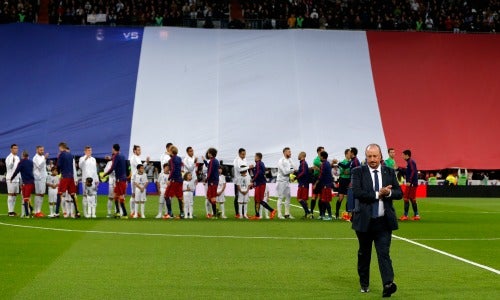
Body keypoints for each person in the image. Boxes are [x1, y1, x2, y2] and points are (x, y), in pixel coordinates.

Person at [351, 143, 402, 297]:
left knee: (383, 253)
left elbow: (399, 193)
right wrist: (377, 194)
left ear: (380, 157)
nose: (372, 159)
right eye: (369, 156)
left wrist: (388, 193)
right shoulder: (358, 171)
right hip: (364, 221)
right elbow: (358, 192)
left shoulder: (389, 171)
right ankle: (364, 283)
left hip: (383, 222)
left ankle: (388, 284)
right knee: (364, 254)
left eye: (375, 156)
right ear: (366, 157)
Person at [53, 142, 80, 218]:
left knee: (59, 193)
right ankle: (77, 212)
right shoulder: (70, 155)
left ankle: (57, 212)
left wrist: (58, 172)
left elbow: (58, 165)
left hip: (65, 176)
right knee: (72, 194)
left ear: (61, 147)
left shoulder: (61, 154)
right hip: (71, 176)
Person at [102, 144, 129, 219]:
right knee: (115, 196)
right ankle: (117, 212)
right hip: (123, 178)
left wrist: (105, 174)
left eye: (112, 149)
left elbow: (112, 168)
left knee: (120, 196)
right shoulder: (122, 156)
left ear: (113, 149)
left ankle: (125, 214)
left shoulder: (116, 156)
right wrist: (111, 158)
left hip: (119, 179)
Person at [251, 153, 276, 220]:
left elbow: (258, 173)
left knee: (259, 200)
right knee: (257, 200)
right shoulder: (259, 164)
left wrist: (252, 181)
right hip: (259, 183)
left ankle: (272, 210)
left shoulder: (259, 163)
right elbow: (257, 173)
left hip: (260, 184)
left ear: (258, 157)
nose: (254, 157)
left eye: (255, 156)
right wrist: (252, 169)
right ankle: (257, 215)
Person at [10, 150, 35, 218]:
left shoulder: (21, 163)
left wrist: (12, 178)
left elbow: (16, 171)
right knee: (25, 198)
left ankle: (27, 214)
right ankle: (31, 209)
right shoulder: (31, 162)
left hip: (26, 183)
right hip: (31, 182)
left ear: (23, 155)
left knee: (26, 198)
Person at [78, 146, 99, 218]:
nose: (90, 152)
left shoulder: (93, 159)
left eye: (90, 151)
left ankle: (93, 213)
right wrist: (85, 158)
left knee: (94, 195)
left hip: (93, 180)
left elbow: (95, 170)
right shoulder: (82, 158)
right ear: (85, 151)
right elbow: (80, 166)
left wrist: (97, 179)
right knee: (85, 195)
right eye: (88, 151)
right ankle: (85, 213)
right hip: (85, 180)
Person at [129, 145, 150, 218]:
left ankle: (135, 212)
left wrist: (145, 163)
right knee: (133, 194)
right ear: (134, 151)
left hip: (139, 178)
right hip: (134, 178)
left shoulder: (138, 157)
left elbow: (140, 167)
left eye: (140, 150)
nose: (139, 151)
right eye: (138, 150)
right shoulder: (133, 158)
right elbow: (139, 167)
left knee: (138, 196)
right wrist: (146, 163)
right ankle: (132, 211)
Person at [276, 147, 296, 219]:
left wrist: (291, 169)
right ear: (284, 153)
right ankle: (279, 214)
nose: (290, 153)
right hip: (281, 181)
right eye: (289, 152)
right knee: (280, 197)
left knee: (288, 197)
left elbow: (295, 167)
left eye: (290, 152)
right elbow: (284, 172)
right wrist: (291, 170)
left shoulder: (290, 160)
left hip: (287, 181)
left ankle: (287, 214)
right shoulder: (281, 161)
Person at [400, 150, 420, 221]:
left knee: (406, 198)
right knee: (412, 198)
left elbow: (413, 171)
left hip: (411, 183)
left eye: (403, 155)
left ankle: (406, 215)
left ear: (407, 155)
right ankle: (416, 215)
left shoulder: (410, 162)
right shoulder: (410, 162)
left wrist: (409, 181)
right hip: (412, 183)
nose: (402, 156)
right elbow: (408, 172)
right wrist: (399, 169)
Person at [314, 151, 334, 220]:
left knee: (325, 200)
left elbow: (321, 175)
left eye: (320, 156)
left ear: (322, 157)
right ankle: (322, 215)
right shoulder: (327, 163)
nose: (319, 157)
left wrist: (316, 183)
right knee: (323, 200)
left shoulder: (324, 164)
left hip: (326, 185)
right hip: (326, 184)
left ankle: (330, 216)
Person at [165, 146, 184, 218]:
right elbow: (182, 167)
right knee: (179, 197)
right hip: (180, 180)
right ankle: (182, 213)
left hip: (173, 180)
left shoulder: (171, 160)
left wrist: (169, 178)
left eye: (169, 151)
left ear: (171, 152)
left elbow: (172, 169)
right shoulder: (179, 158)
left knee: (166, 196)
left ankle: (170, 213)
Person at [232, 148, 251, 218]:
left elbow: (247, 171)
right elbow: (239, 169)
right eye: (243, 154)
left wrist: (249, 179)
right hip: (238, 180)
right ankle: (237, 213)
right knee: (237, 196)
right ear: (239, 154)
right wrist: (248, 167)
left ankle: (244, 213)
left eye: (245, 154)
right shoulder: (236, 160)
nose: (244, 155)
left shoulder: (245, 160)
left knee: (245, 197)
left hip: (245, 180)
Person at [345, 147, 361, 221]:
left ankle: (355, 216)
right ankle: (352, 216)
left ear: (352, 153)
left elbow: (358, 172)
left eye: (350, 152)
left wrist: (354, 182)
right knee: (351, 199)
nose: (349, 153)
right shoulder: (352, 161)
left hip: (355, 183)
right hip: (351, 182)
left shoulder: (356, 161)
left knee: (355, 199)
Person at [33, 145, 49, 217]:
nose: (42, 151)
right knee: (38, 194)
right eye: (40, 150)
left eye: (43, 150)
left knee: (42, 194)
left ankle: (38, 210)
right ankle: (37, 211)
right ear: (37, 150)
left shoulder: (42, 157)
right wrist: (45, 159)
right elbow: (39, 166)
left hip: (43, 177)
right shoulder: (35, 158)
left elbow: (44, 168)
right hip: (38, 178)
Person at [296, 151, 312, 218]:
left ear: (302, 156)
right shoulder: (303, 163)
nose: (298, 156)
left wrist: (297, 176)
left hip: (303, 183)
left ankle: (308, 212)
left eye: (299, 154)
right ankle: (307, 214)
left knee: (300, 199)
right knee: (304, 200)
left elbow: (303, 172)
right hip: (304, 183)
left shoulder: (303, 163)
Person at [6, 144, 20, 216]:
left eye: (16, 148)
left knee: (15, 195)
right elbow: (9, 167)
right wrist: (12, 162)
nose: (16, 150)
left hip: (16, 179)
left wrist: (20, 178)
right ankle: (10, 211)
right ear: (11, 149)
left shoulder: (17, 157)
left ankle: (12, 210)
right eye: (14, 148)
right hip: (10, 178)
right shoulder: (8, 157)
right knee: (10, 194)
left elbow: (18, 169)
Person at [336, 149, 351, 219]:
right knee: (341, 197)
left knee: (348, 197)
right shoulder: (343, 162)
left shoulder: (351, 162)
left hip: (349, 180)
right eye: (349, 153)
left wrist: (347, 172)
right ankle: (336, 213)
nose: (350, 154)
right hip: (342, 180)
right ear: (346, 154)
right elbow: (342, 172)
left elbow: (348, 172)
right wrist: (347, 172)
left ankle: (347, 213)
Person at [205, 148, 220, 218]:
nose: (208, 154)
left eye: (208, 153)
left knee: (212, 197)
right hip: (215, 180)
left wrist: (206, 179)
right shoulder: (216, 161)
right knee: (209, 197)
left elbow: (210, 171)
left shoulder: (212, 161)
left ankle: (215, 213)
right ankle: (216, 211)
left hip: (212, 181)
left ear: (211, 153)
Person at [310, 146, 324, 216]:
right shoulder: (316, 160)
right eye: (322, 151)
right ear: (318, 152)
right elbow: (323, 167)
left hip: (321, 178)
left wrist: (320, 169)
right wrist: (321, 169)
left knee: (321, 196)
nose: (323, 152)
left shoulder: (322, 159)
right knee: (314, 196)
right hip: (316, 178)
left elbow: (323, 168)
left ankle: (321, 213)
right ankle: (311, 212)